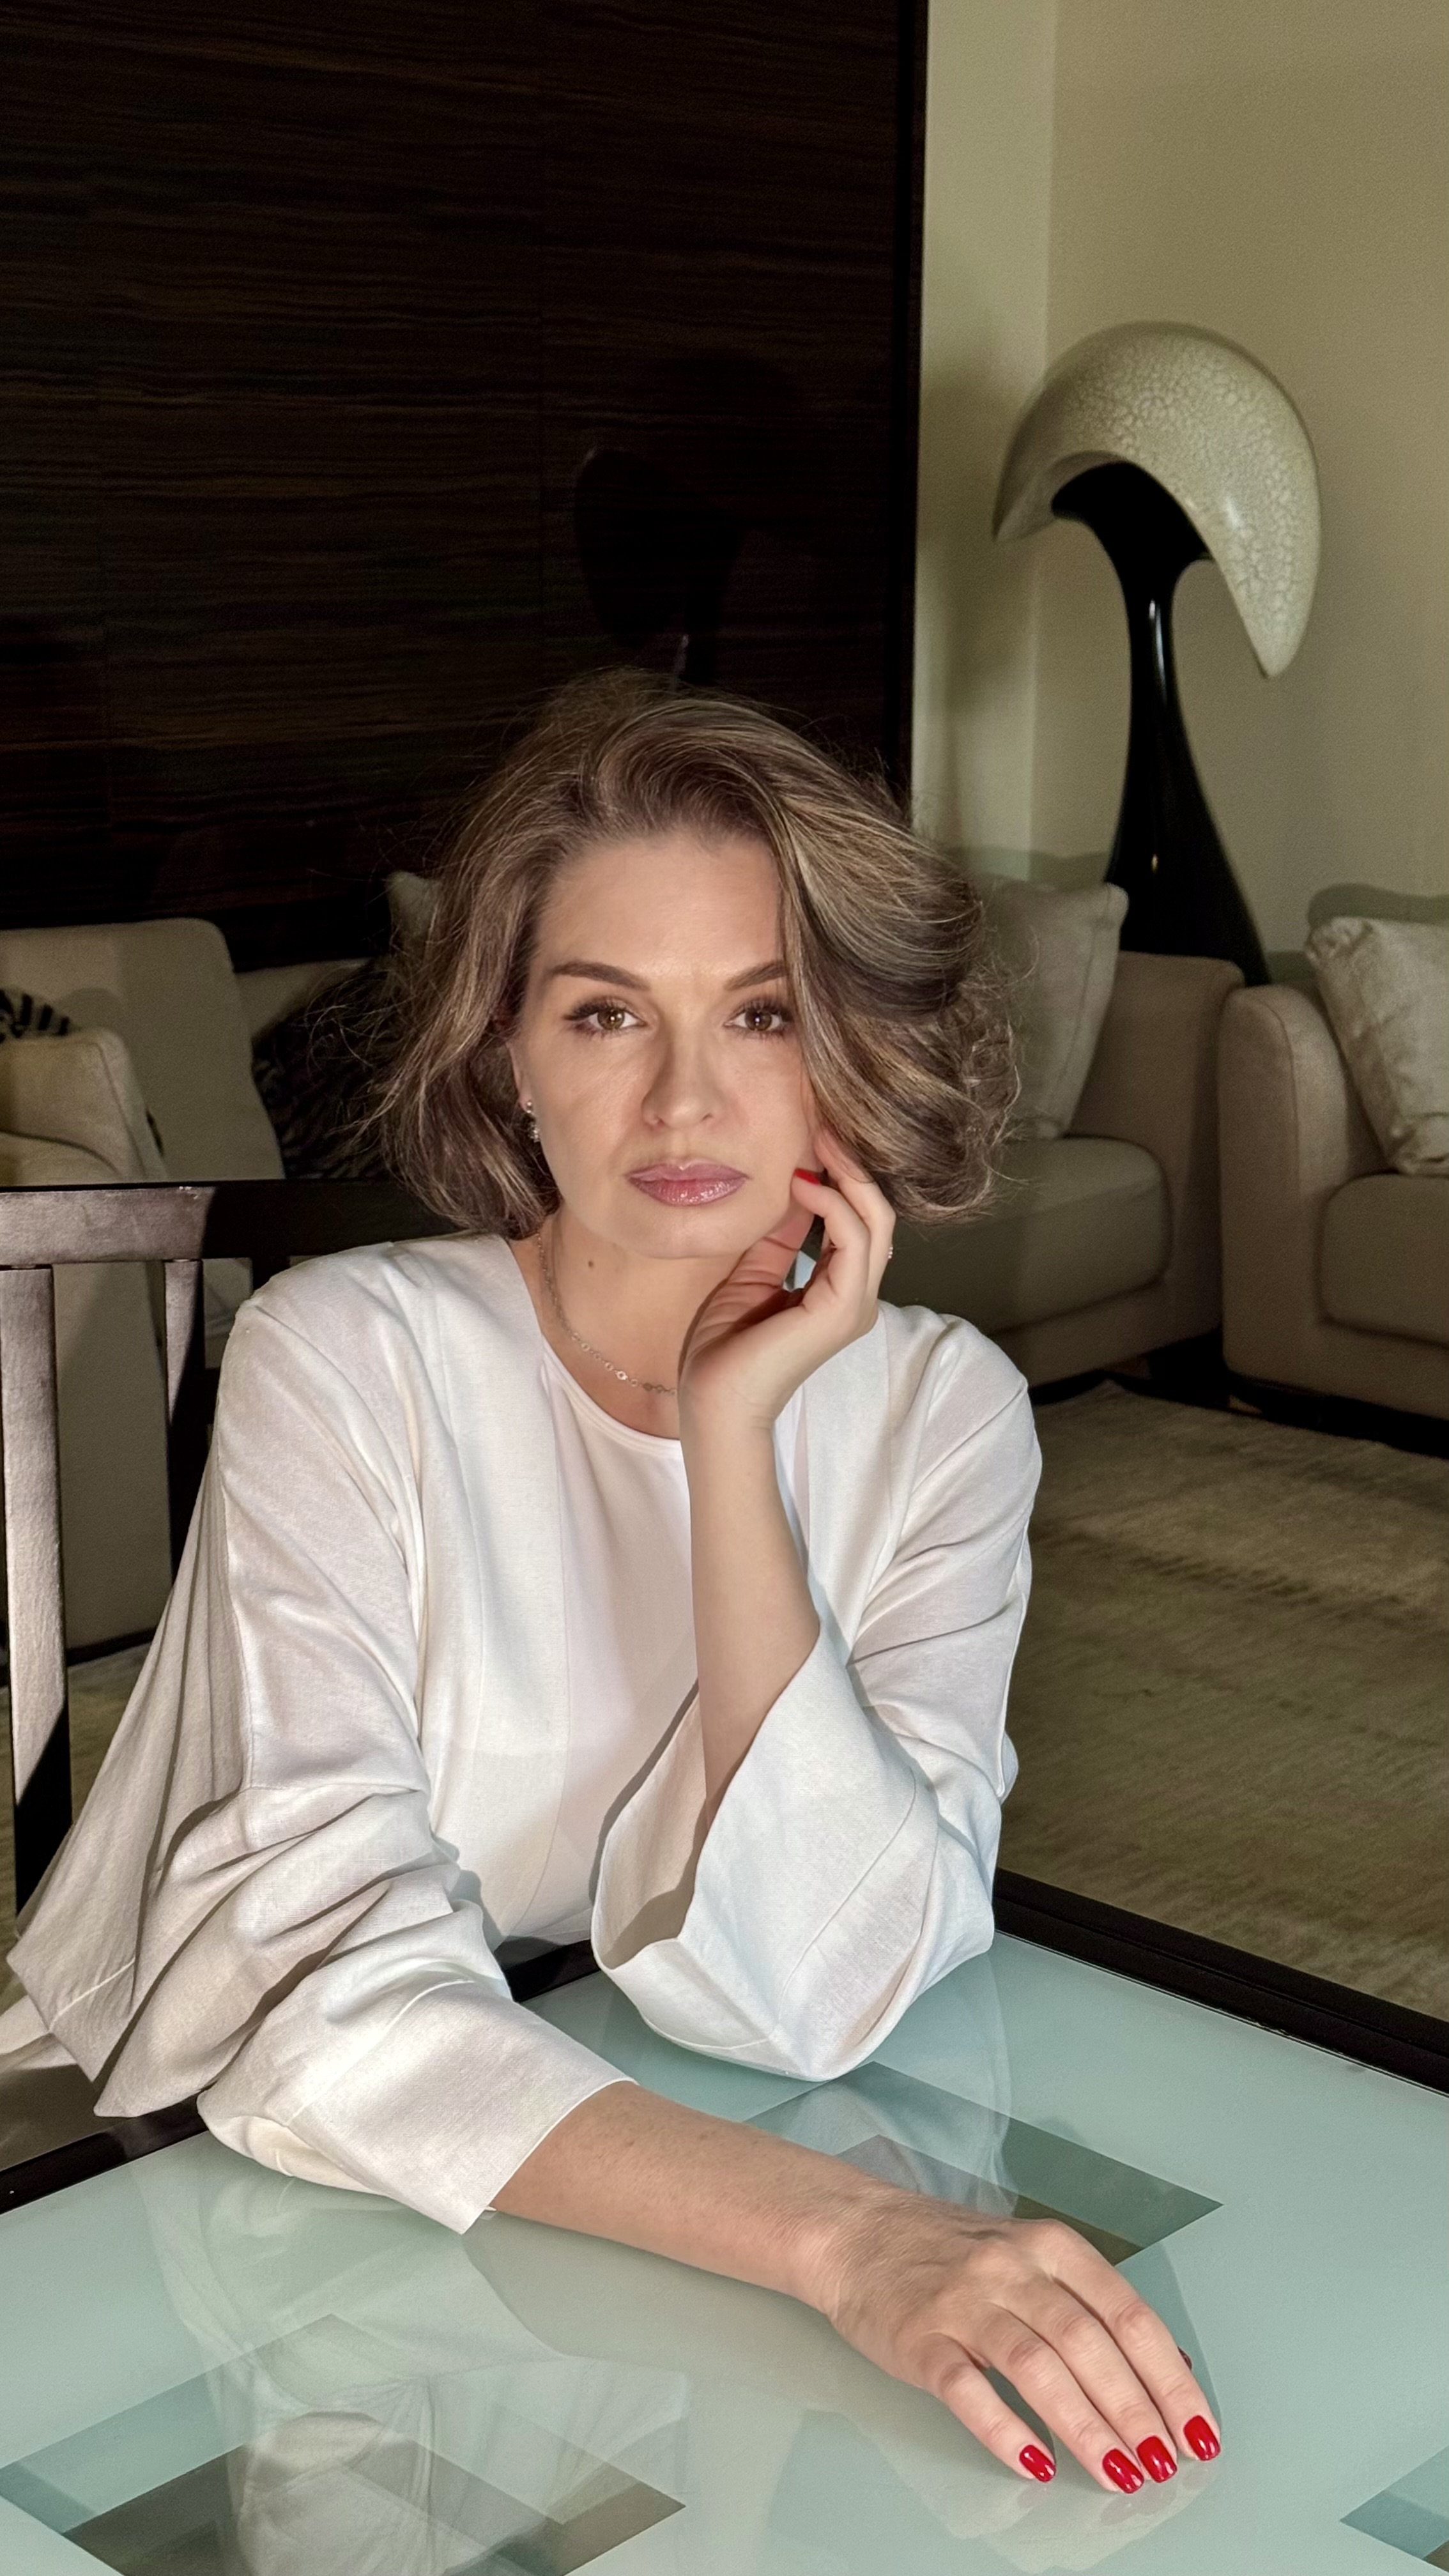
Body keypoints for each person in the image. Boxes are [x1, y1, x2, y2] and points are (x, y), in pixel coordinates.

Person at [0, 673, 1220, 2499]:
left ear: (846, 1046)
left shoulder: (941, 1411)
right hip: (203, 2183)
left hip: (642, 2165)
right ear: (509, 1053)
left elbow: (826, 1993)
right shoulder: (345, 1357)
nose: (684, 1097)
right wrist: (849, 2243)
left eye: (761, 1012)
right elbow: (315, 1994)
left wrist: (733, 1447)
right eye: (603, 1013)